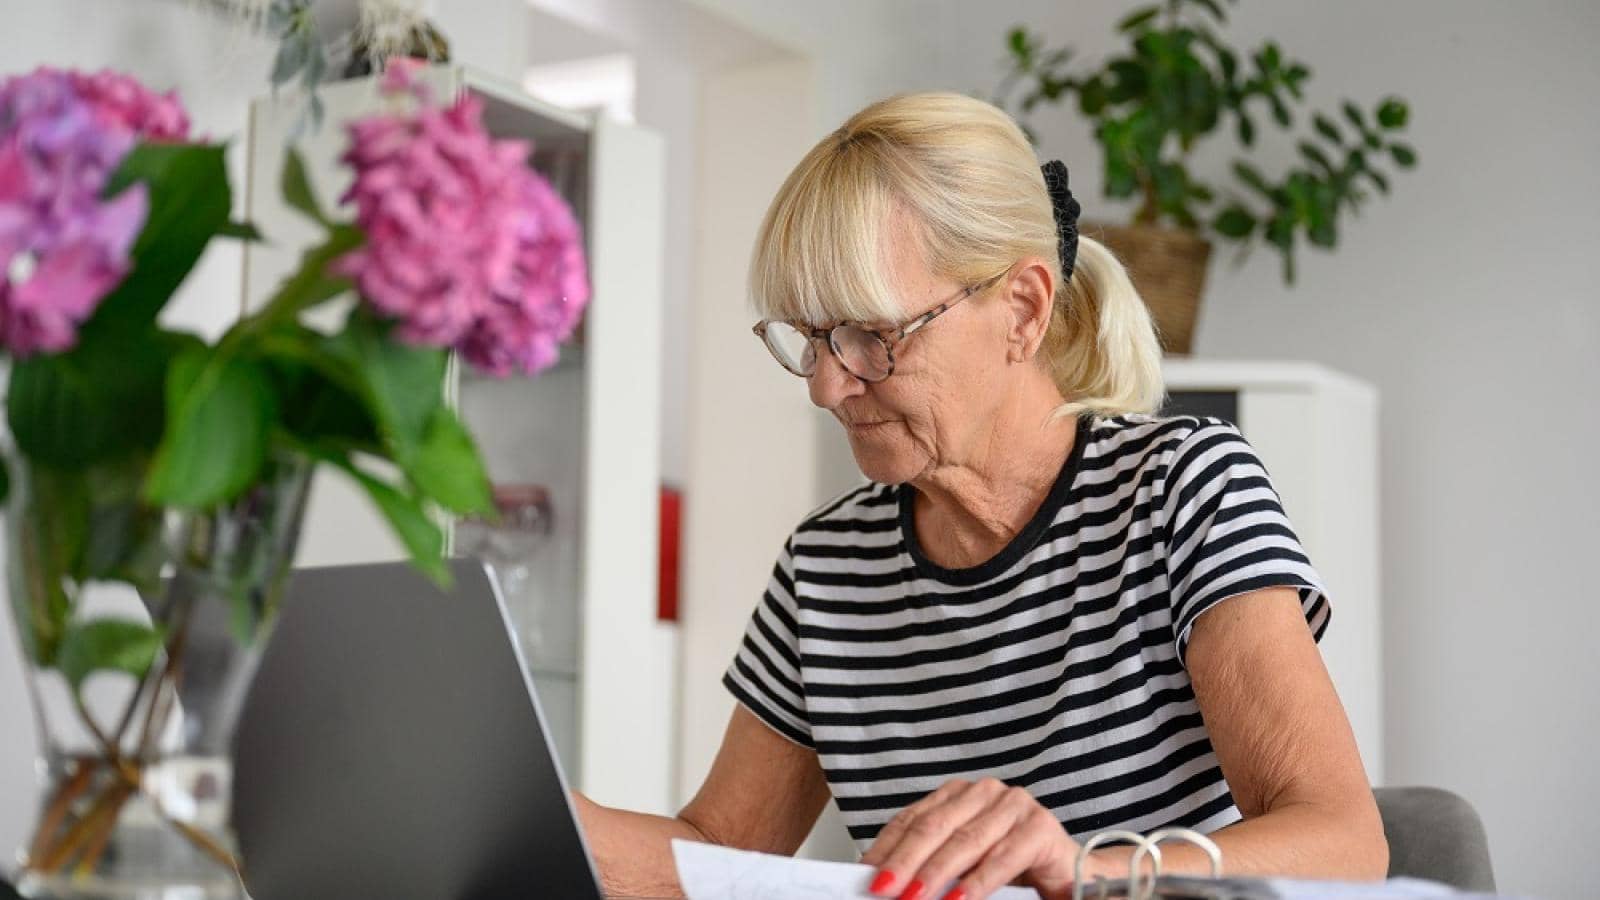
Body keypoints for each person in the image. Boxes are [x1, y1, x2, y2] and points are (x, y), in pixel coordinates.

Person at [574, 91, 1386, 900]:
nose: (826, 387)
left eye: (871, 335)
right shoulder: (826, 567)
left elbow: (1342, 842)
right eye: (812, 338)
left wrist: (1082, 875)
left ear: (1023, 311)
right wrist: (538, 812)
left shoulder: (1182, 492)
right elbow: (714, 852)